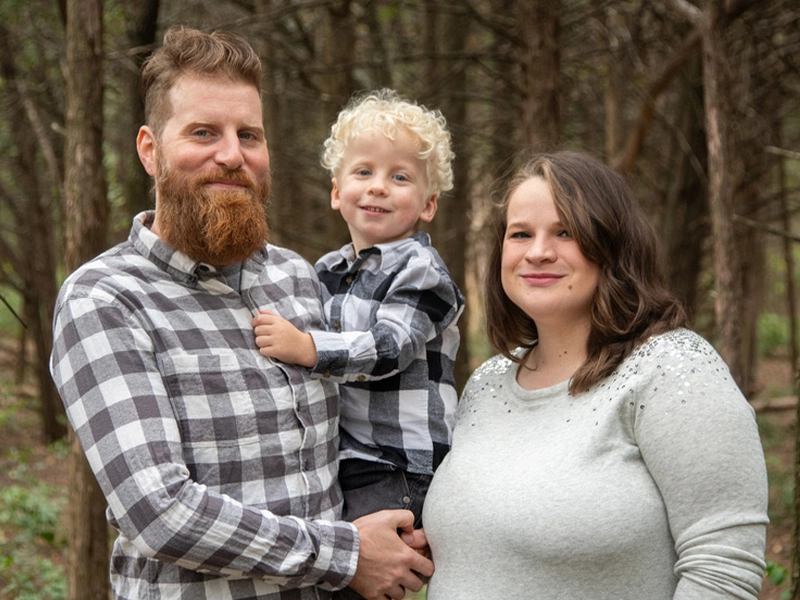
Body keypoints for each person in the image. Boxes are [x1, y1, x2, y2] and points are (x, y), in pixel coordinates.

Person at [49, 26, 431, 600]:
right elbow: (159, 513)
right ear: (150, 150)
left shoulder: (297, 277)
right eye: (203, 132)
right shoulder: (105, 299)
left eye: (248, 135)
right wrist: (347, 554)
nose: (232, 156)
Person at [422, 150, 769, 599]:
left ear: (613, 245)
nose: (538, 252)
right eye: (521, 234)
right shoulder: (487, 382)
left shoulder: (673, 368)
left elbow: (723, 566)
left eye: (565, 232)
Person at [252, 89, 464, 532]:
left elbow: (390, 348)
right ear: (337, 191)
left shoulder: (422, 271)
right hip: (345, 459)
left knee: (359, 564)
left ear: (428, 203)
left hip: (400, 467)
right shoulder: (326, 270)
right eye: (363, 171)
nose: (378, 186)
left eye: (400, 177)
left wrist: (308, 348)